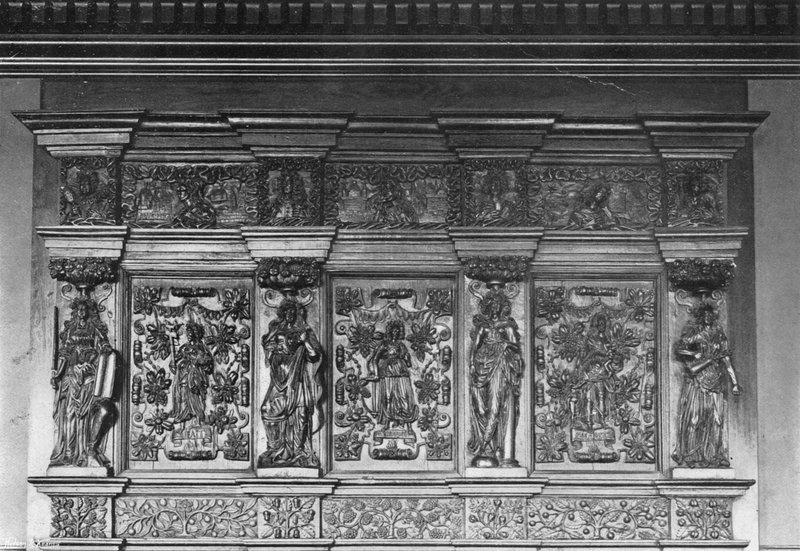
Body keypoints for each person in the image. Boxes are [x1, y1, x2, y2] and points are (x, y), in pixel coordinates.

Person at [673, 301, 741, 468]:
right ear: (701, 316)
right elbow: (679, 349)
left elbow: (726, 360)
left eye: (710, 314)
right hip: (698, 379)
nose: (708, 317)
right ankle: (692, 454)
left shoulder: (719, 335)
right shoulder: (695, 333)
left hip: (716, 380)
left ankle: (713, 455)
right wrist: (694, 354)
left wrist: (735, 383)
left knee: (716, 419)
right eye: (705, 314)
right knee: (695, 418)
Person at [50, 295, 114, 467]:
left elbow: (104, 346)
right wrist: (58, 374)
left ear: (89, 311)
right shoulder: (70, 329)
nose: (81, 312)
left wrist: (103, 351)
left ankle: (88, 450)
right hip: (72, 376)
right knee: (70, 414)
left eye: (84, 309)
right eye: (79, 309)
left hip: (90, 376)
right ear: (75, 312)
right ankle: (70, 453)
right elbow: (64, 354)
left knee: (96, 412)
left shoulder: (94, 328)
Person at [259, 300, 323, 467]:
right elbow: (266, 345)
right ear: (283, 314)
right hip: (278, 376)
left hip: (297, 378)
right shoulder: (276, 330)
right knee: (267, 409)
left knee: (301, 414)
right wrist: (271, 349)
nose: (290, 315)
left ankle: (299, 451)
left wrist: (304, 342)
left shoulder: (303, 332)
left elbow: (315, 356)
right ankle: (275, 448)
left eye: (293, 312)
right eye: (287, 312)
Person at [468, 289, 524, 467]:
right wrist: (472, 364)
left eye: (498, 305)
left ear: (502, 308)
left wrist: (503, 344)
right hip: (482, 365)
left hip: (499, 365)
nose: (495, 307)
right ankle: (484, 444)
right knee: (481, 408)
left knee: (495, 404)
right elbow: (475, 347)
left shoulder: (506, 326)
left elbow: (515, 346)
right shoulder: (483, 326)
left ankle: (487, 447)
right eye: (492, 304)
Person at [367, 320, 418, 434]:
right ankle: (387, 423)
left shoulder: (401, 345)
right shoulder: (385, 344)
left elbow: (408, 362)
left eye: (397, 331)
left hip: (400, 371)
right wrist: (376, 373)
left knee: (404, 396)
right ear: (390, 332)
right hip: (388, 371)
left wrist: (407, 358)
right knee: (388, 397)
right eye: (393, 331)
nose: (395, 333)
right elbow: (375, 358)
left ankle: (408, 425)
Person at [171, 322, 214, 425]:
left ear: (196, 334)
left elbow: (207, 361)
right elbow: (175, 359)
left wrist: (199, 361)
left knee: (195, 393)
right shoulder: (184, 347)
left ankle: (198, 414)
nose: (189, 336)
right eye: (188, 334)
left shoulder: (200, 347)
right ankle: (184, 413)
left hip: (195, 375)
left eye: (191, 334)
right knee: (183, 392)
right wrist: (172, 364)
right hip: (183, 374)